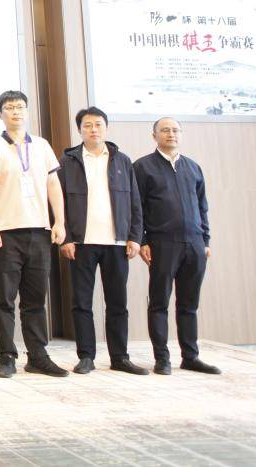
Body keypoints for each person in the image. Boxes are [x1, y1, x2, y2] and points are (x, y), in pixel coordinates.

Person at [0, 90, 68, 378]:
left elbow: (53, 185)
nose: (16, 111)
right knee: (4, 299)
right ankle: (7, 356)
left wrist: (59, 221)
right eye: (9, 107)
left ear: (27, 112)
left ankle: (38, 356)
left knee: (35, 299)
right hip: (5, 233)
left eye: (20, 107)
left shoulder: (42, 146)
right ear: (0, 114)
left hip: (39, 231)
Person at [58, 107, 148, 376]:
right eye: (87, 125)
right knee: (81, 303)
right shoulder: (68, 161)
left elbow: (135, 202)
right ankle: (86, 356)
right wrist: (66, 238)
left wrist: (134, 237)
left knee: (117, 303)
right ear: (80, 130)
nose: (93, 129)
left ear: (106, 128)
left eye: (98, 124)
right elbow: (58, 202)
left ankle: (120, 357)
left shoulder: (122, 160)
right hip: (81, 243)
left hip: (116, 243)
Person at [134, 117, 219, 375]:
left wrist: (205, 240)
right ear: (154, 135)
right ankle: (162, 358)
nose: (171, 134)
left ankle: (190, 357)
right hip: (162, 243)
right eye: (165, 130)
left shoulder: (193, 167)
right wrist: (143, 241)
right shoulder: (143, 167)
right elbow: (137, 208)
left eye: (175, 130)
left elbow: (202, 207)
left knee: (189, 304)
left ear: (181, 134)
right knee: (159, 302)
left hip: (194, 244)